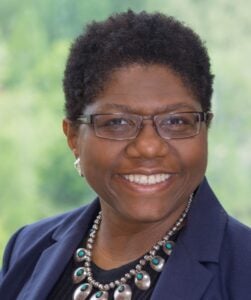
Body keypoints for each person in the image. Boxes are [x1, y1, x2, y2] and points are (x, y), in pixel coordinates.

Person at [1, 10, 251, 300]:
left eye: (176, 121)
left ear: (205, 128)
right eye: (117, 123)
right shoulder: (28, 246)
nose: (148, 147)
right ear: (73, 137)